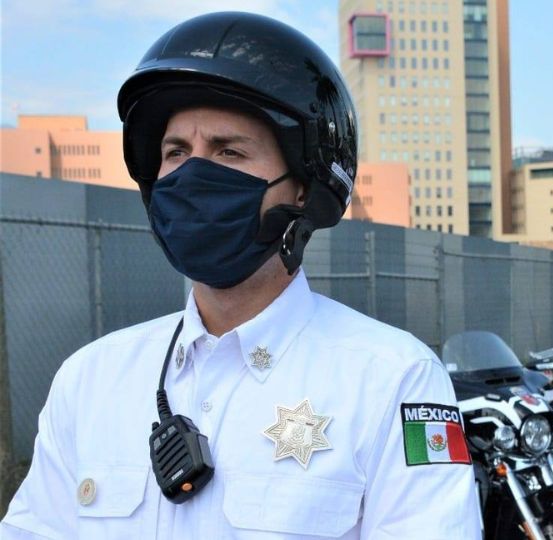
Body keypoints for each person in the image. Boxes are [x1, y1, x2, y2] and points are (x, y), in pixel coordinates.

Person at [0, 12, 481, 539]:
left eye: (228, 151)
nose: (193, 173)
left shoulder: (393, 380)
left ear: (301, 188)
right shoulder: (89, 382)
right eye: (176, 152)